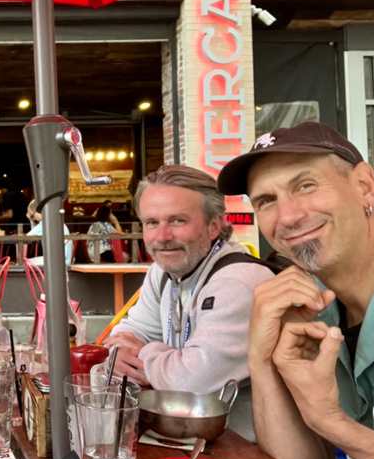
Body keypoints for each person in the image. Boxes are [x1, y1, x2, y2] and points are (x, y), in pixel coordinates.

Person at [217, 121, 374, 459]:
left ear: (365, 186)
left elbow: (330, 432)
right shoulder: (311, 305)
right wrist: (261, 359)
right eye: (266, 201)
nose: (289, 216)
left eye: (305, 186)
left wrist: (331, 422)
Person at [104, 165, 276, 440]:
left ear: (214, 226)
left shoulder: (238, 281)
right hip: (185, 441)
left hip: (246, 451)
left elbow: (193, 384)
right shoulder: (162, 272)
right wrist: (136, 352)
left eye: (177, 221)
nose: (162, 237)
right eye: (151, 223)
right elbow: (124, 336)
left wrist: (146, 355)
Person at [25, 198, 73, 266]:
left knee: (26, 262)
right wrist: (31, 219)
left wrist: (30, 220)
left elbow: (27, 238)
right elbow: (34, 233)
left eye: (33, 216)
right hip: (64, 259)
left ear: (38, 212)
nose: (34, 218)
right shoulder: (54, 220)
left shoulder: (44, 223)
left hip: (57, 261)